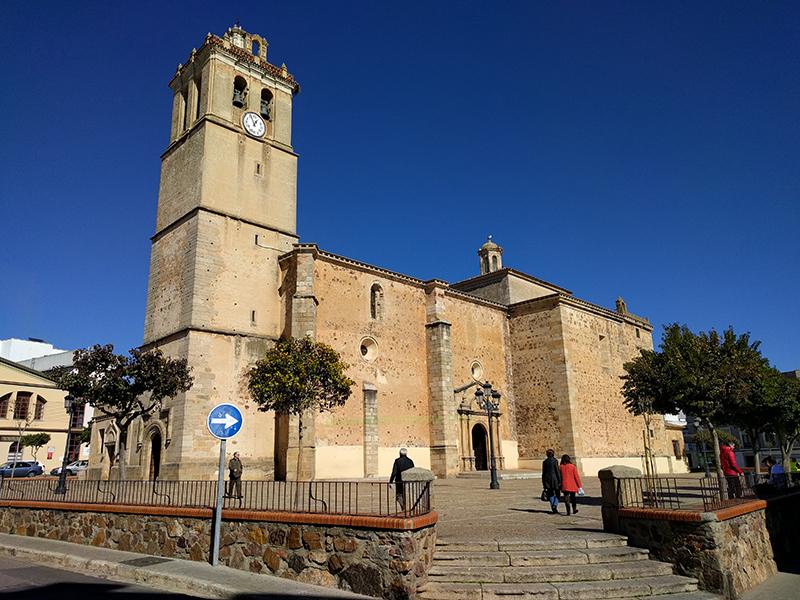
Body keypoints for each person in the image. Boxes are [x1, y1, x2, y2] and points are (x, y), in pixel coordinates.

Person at [542, 449, 562, 514]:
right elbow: (557, 471)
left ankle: (553, 508)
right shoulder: (555, 461)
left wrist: (543, 482)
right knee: (558, 494)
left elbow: (543, 473)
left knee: (550, 494)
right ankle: (555, 505)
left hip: (547, 480)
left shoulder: (545, 462)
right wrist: (560, 480)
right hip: (555, 479)